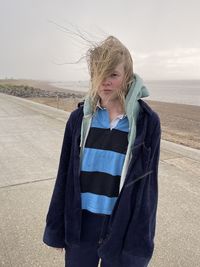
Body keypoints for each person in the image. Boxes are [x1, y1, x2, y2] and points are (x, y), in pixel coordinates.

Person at [43, 36, 161, 267]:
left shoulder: (147, 123)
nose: (104, 82)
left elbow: (148, 190)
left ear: (127, 76)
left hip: (120, 225)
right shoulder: (79, 120)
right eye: (98, 74)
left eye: (113, 75)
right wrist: (56, 229)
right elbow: (64, 176)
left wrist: (140, 244)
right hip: (80, 223)